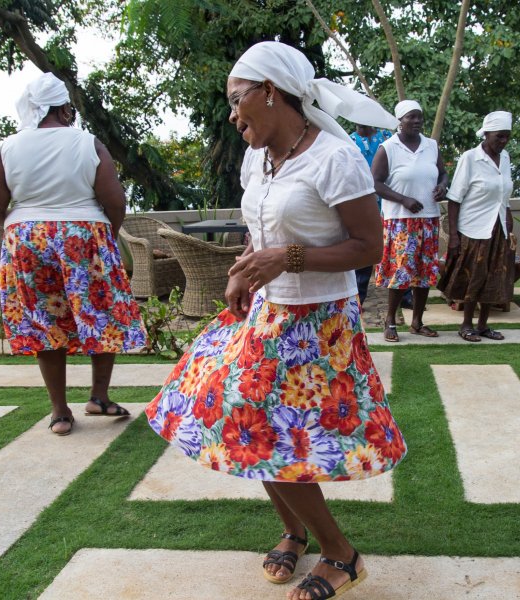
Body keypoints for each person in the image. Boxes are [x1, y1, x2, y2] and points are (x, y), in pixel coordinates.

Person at [144, 42, 406, 600]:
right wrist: (244, 269)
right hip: (266, 314)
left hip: (319, 323)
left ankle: (341, 555)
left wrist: (285, 259)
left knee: (275, 432)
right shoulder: (255, 160)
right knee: (245, 422)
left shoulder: (334, 158)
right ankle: (294, 530)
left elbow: (370, 248)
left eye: (238, 100)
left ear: (271, 91)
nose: (233, 115)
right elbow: (258, 232)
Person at [0, 72, 146, 437]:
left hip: (27, 239)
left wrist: (19, 226)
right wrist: (108, 235)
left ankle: (59, 413)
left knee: (44, 322)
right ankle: (99, 397)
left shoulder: (9, 146)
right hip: (83, 236)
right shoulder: (87, 143)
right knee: (101, 312)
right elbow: (114, 200)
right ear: (65, 108)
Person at [372, 100, 447, 342]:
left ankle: (417, 321)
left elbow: (443, 173)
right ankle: (390, 320)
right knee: (401, 272)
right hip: (401, 221)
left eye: (419, 117)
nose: (417, 122)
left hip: (428, 219)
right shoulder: (388, 148)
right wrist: (403, 199)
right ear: (399, 121)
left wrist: (442, 186)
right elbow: (375, 183)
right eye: (411, 117)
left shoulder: (431, 146)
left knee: (425, 272)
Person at [438, 111, 515, 342]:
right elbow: (454, 199)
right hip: (473, 229)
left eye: (506, 137)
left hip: (498, 228)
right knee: (474, 277)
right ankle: (466, 324)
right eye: (499, 137)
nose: (503, 142)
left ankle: (483, 325)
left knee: (494, 276)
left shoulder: (506, 158)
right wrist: (453, 236)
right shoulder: (470, 158)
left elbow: (505, 197)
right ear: (487, 134)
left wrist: (509, 225)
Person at [349, 124, 391, 304]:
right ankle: (360, 297)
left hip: (389, 200)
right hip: (363, 200)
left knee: (395, 247)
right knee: (365, 247)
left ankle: (404, 296)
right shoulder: (350, 141)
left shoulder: (385, 137)